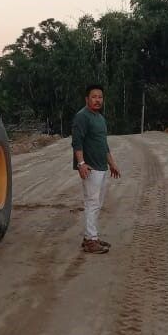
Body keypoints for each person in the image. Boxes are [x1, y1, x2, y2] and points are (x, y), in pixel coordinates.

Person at [72, 84, 121, 254]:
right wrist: (81, 164)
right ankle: (90, 241)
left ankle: (90, 237)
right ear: (87, 99)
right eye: (94, 97)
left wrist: (112, 163)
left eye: (100, 97)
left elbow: (103, 144)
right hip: (90, 167)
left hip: (101, 166)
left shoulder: (100, 118)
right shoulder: (82, 117)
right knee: (92, 203)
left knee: (97, 203)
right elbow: (76, 143)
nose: (97, 100)